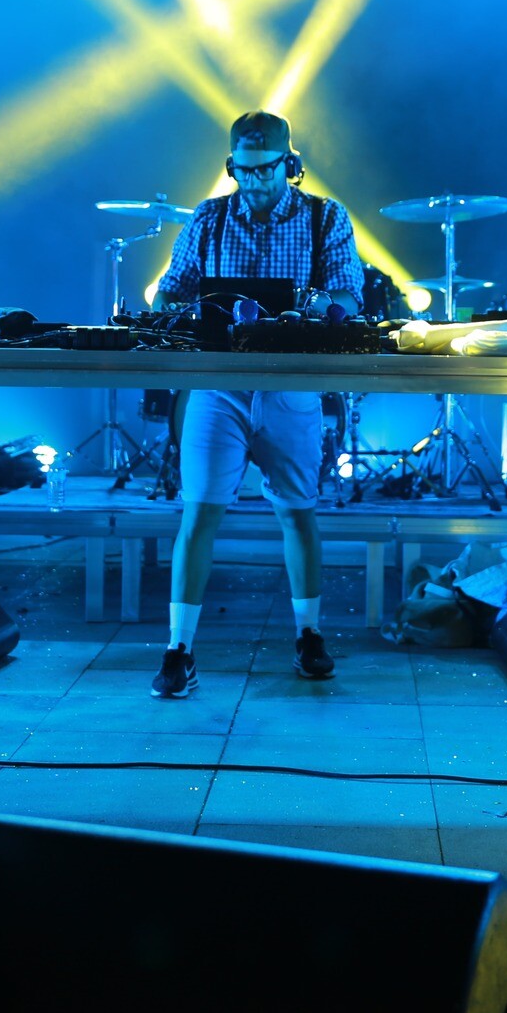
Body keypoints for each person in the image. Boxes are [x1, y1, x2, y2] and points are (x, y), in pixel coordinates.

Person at [148, 111, 365, 697]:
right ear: (231, 167)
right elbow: (171, 289)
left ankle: (309, 636)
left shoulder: (325, 217)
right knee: (199, 513)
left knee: (298, 511)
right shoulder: (208, 218)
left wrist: (311, 306)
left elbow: (350, 293)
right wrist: (174, 307)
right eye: (245, 171)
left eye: (267, 169)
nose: (256, 180)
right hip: (218, 386)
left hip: (292, 384)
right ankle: (178, 649)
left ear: (290, 165)